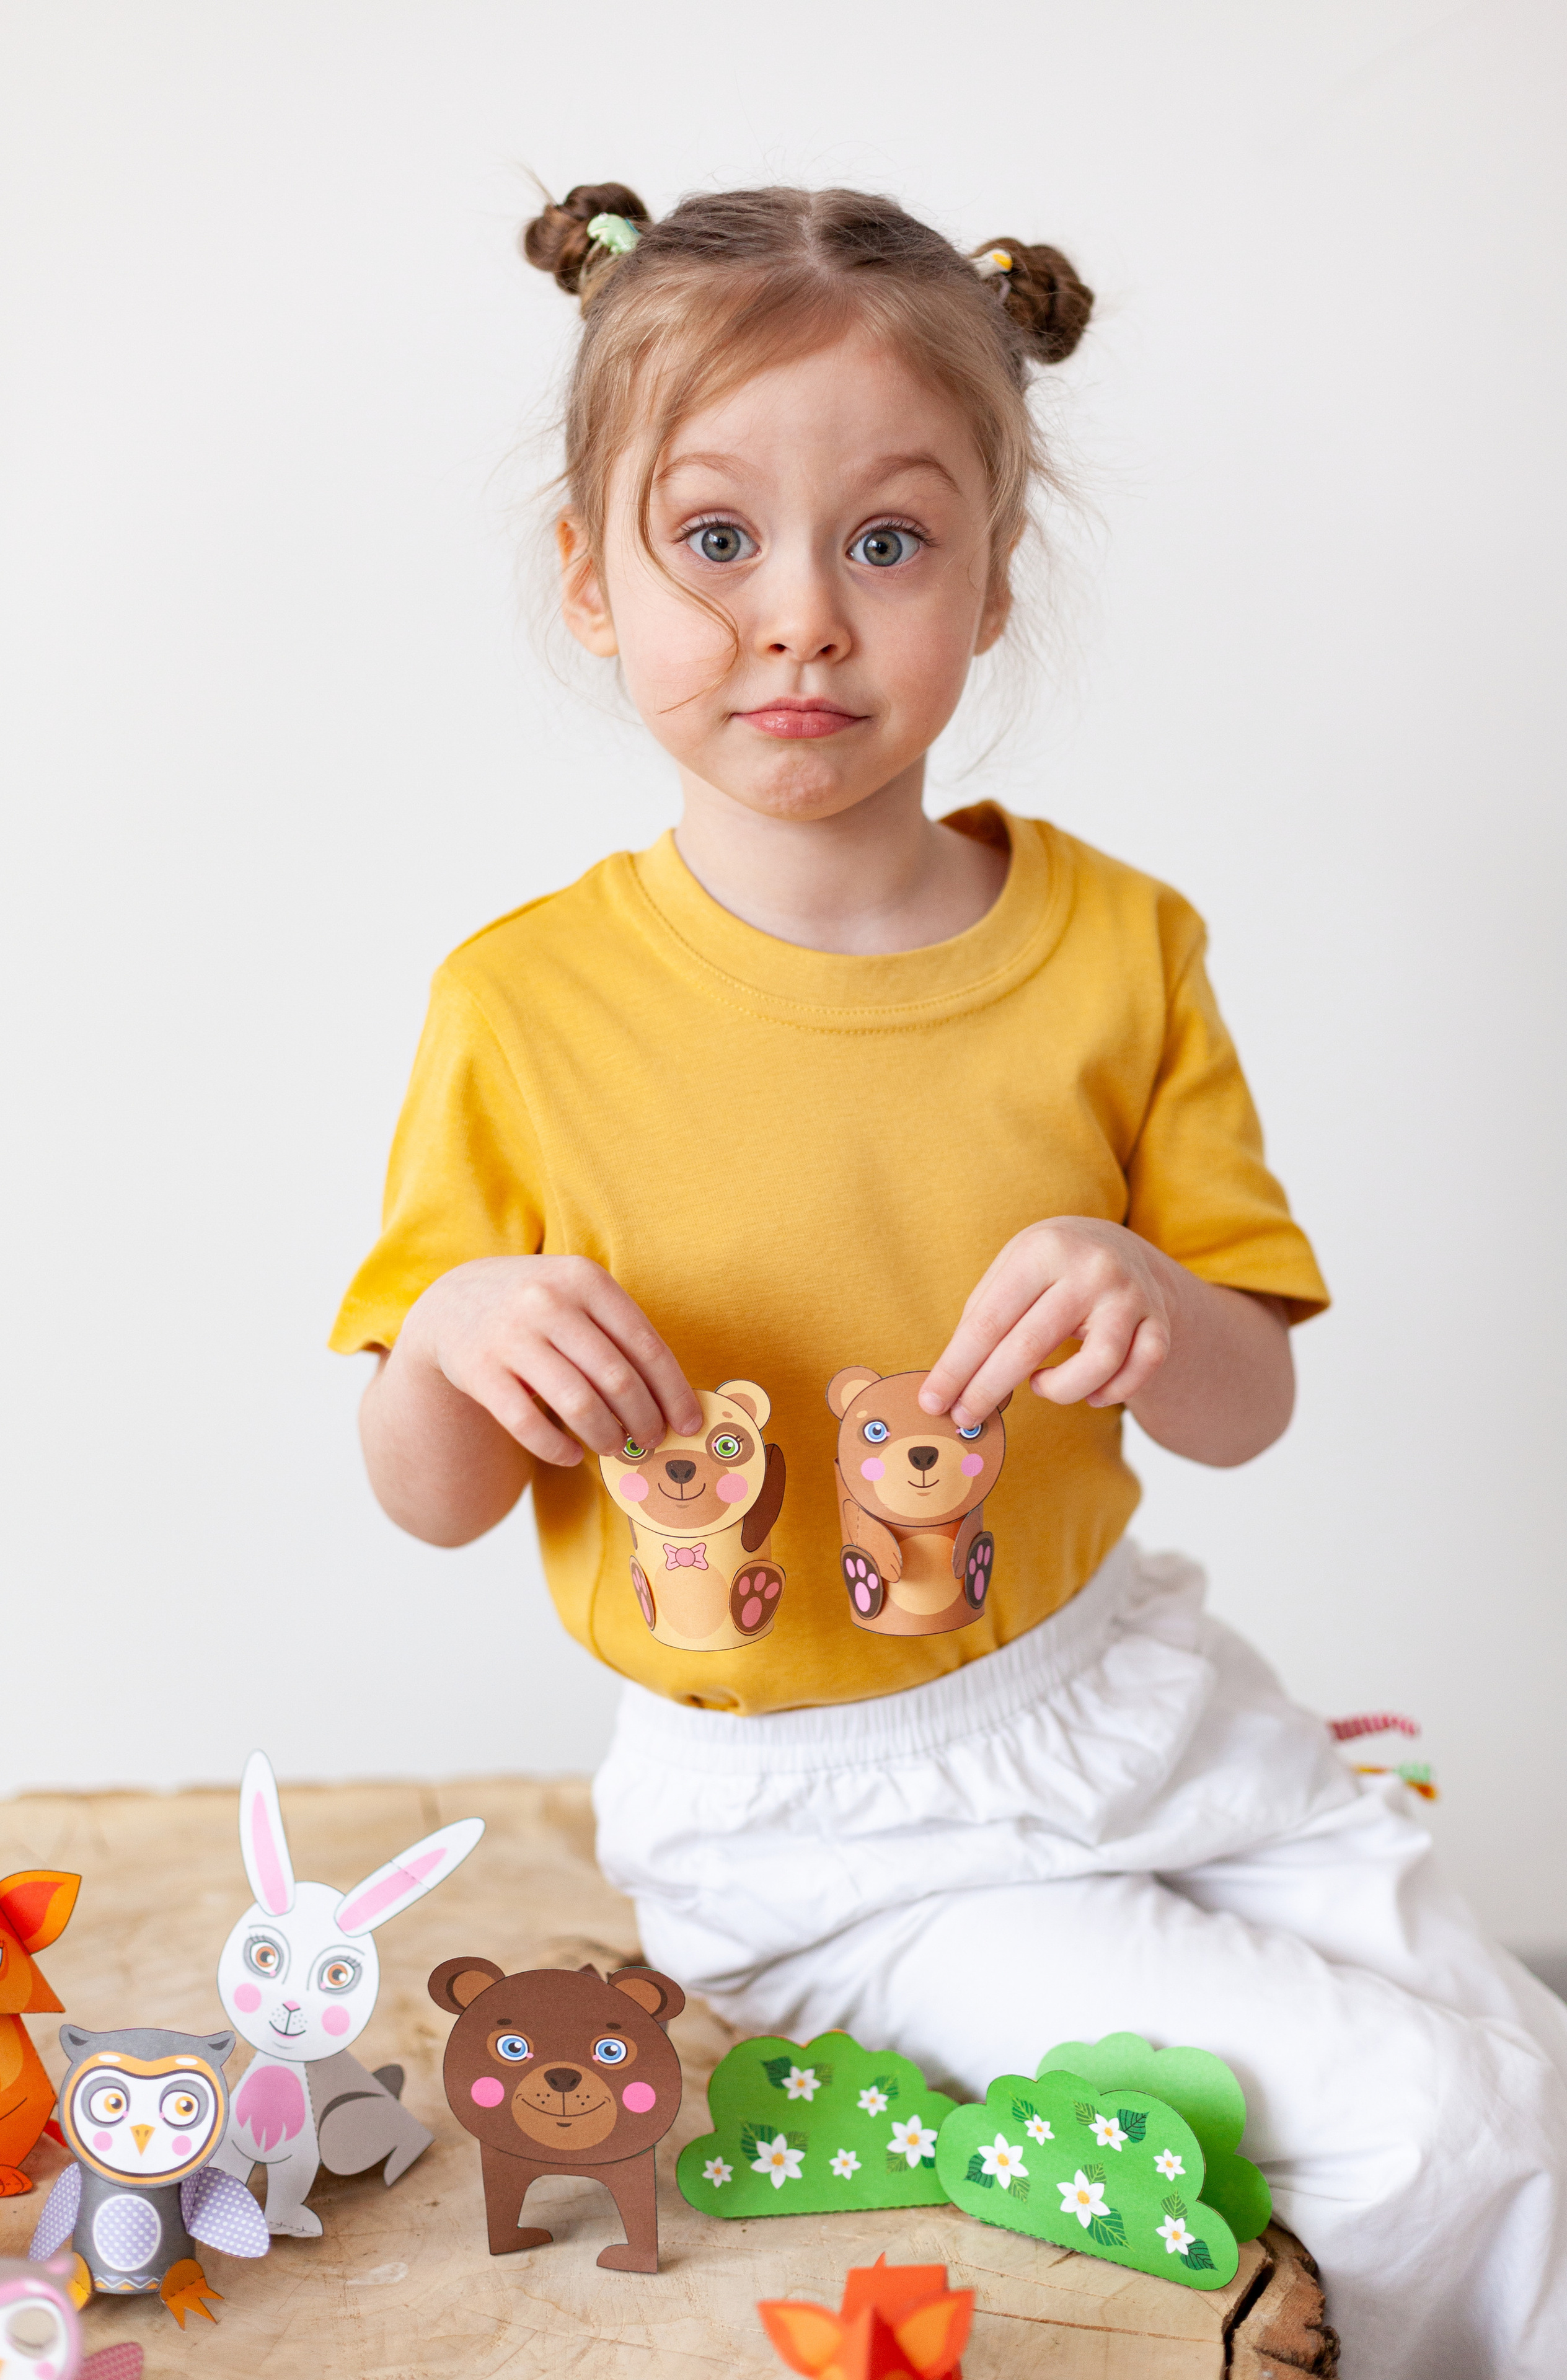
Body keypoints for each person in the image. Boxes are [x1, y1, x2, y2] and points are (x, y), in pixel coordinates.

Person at [332, 183, 1567, 2375]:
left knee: (1521, 2062)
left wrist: (1151, 1302)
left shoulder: (1123, 948)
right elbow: (424, 1490)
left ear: (992, 582)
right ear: (590, 581)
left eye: (886, 543)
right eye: (716, 541)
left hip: (1134, 1698)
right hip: (821, 1833)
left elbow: (1244, 1404)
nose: (800, 619)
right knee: (1436, 2115)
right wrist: (449, 1338)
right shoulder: (521, 1006)